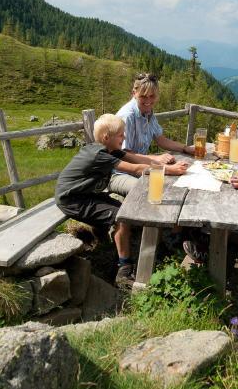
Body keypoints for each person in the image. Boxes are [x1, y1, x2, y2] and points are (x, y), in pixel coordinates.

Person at [55, 114, 158, 287]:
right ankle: (124, 269)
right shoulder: (99, 156)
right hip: (72, 199)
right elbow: (135, 168)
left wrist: (158, 160)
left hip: (83, 194)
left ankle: (106, 242)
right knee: (121, 217)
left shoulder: (107, 150)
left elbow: (137, 158)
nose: (124, 137)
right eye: (120, 134)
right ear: (106, 137)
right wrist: (169, 170)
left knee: (121, 208)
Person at [108, 73, 191, 197]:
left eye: (152, 96)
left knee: (174, 184)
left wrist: (185, 148)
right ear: (134, 93)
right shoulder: (127, 116)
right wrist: (156, 158)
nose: (148, 101)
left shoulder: (148, 113)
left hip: (140, 167)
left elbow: (161, 139)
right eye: (143, 96)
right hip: (121, 172)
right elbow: (124, 155)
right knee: (153, 191)